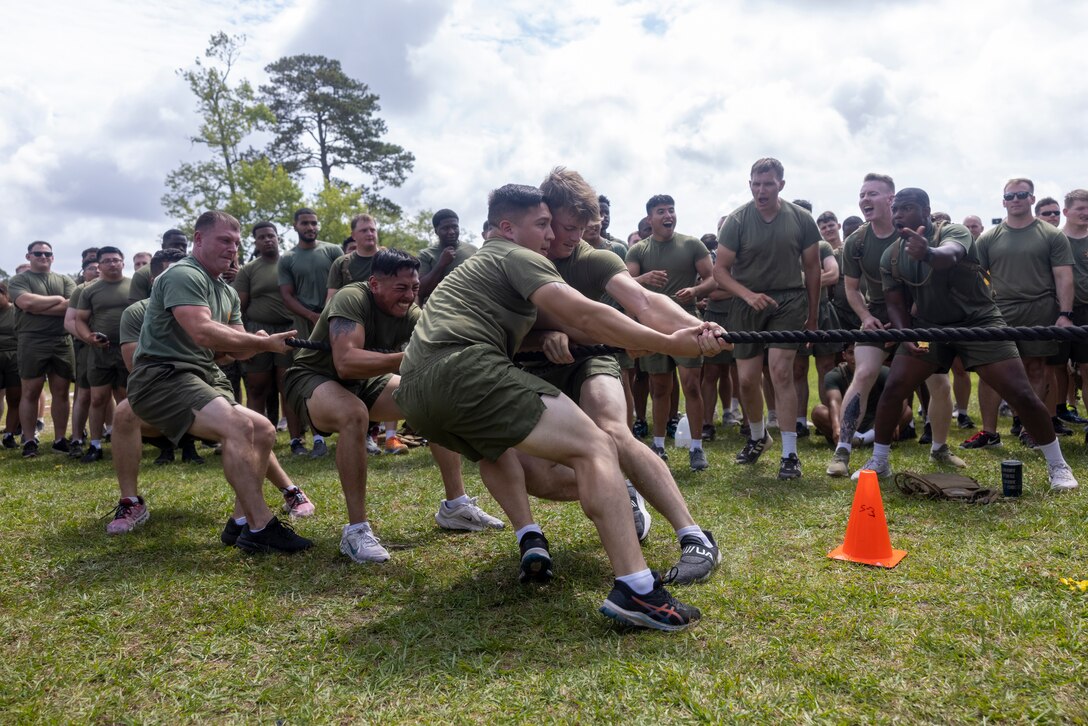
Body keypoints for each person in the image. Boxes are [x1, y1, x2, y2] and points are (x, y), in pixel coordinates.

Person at [394, 184, 724, 631]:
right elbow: (586, 315)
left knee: (568, 450)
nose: (551, 235)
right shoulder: (517, 255)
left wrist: (693, 326)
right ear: (508, 228)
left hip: (415, 393)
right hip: (467, 371)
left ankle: (625, 528)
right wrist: (668, 343)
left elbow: (592, 317)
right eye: (544, 224)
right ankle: (638, 590)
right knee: (597, 446)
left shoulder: (479, 267)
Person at [510, 167, 722, 583]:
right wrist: (542, 336)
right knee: (536, 472)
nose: (577, 238)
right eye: (569, 227)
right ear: (543, 215)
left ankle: (696, 536)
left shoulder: (594, 258)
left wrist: (694, 328)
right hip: (531, 370)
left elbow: (644, 300)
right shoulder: (514, 257)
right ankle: (618, 490)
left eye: (586, 228)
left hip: (590, 358)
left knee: (614, 431)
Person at [109, 210, 313, 552]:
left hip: (200, 375)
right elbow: (203, 331)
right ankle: (262, 528)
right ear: (198, 239)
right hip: (161, 376)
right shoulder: (183, 275)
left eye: (236, 242)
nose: (232, 248)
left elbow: (231, 348)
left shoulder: (227, 292)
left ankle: (240, 523)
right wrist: (260, 343)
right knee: (237, 426)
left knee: (262, 429)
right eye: (224, 240)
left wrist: (255, 341)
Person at [285, 248, 504, 563]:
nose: (409, 296)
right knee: (353, 414)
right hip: (313, 377)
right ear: (374, 284)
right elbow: (345, 362)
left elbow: (441, 342)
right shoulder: (351, 298)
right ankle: (356, 531)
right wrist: (410, 357)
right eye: (401, 288)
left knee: (433, 397)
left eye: (414, 288)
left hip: (367, 380)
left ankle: (456, 507)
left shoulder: (411, 311)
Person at [855, 188, 1077, 492]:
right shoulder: (891, 255)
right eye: (895, 210)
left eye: (906, 208)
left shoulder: (954, 231)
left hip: (979, 321)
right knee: (894, 388)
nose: (898, 215)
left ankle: (1058, 465)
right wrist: (906, 334)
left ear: (926, 210)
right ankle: (878, 461)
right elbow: (894, 300)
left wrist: (927, 253)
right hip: (929, 326)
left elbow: (951, 255)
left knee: (1020, 393)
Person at [826, 174, 958, 477]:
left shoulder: (921, 233)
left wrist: (909, 318)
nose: (864, 199)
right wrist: (866, 318)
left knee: (939, 382)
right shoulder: (857, 241)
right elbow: (851, 289)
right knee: (864, 372)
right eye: (861, 194)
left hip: (920, 318)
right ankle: (842, 452)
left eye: (872, 193)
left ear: (891, 199)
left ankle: (939, 448)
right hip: (875, 316)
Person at [714, 158, 821, 479]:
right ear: (750, 185)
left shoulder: (802, 219)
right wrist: (746, 295)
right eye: (756, 184)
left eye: (769, 184)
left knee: (780, 372)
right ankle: (759, 437)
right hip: (747, 303)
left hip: (788, 300)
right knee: (746, 379)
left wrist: (813, 316)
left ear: (781, 185)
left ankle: (790, 454)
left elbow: (813, 269)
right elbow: (720, 270)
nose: (762, 190)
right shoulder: (736, 220)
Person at [966, 179, 1074, 450]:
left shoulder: (1051, 234)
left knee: (1036, 368)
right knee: (990, 371)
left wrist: (1065, 313)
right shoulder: (990, 237)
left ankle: (1030, 429)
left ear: (1031, 198)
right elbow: (975, 278)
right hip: (998, 312)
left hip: (1040, 308)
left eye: (1021, 194)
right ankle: (989, 432)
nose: (1015, 199)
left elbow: (1063, 276)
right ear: (1003, 201)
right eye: (1010, 196)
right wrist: (978, 311)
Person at [626, 194, 718, 469]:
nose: (668, 215)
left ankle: (697, 448)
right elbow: (624, 284)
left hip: (687, 320)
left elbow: (713, 279)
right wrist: (643, 279)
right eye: (661, 211)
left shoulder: (691, 244)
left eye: (671, 210)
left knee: (691, 385)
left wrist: (696, 290)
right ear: (650, 218)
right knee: (660, 386)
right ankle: (657, 446)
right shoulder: (638, 250)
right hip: (653, 325)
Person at [235, 222, 313, 457]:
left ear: (278, 238)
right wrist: (245, 337)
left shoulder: (290, 262)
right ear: (256, 242)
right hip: (258, 331)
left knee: (287, 385)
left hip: (289, 331)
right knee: (256, 387)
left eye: (271, 236)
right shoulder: (248, 270)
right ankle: (256, 439)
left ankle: (296, 440)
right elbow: (239, 306)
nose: (267, 240)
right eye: (262, 237)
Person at [9, 241, 76, 458]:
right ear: (29, 256)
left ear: (53, 257)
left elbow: (71, 307)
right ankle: (29, 440)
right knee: (30, 391)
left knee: (61, 392)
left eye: (48, 253)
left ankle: (59, 439)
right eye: (38, 253)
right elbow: (27, 303)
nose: (43, 256)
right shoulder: (19, 280)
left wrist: (41, 307)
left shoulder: (65, 279)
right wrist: (57, 300)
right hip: (31, 340)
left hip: (61, 340)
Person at [69, 247, 131, 462]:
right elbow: (80, 320)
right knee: (97, 399)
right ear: (100, 265)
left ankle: (126, 442)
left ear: (123, 262)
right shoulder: (89, 290)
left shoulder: (134, 286)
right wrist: (88, 338)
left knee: (125, 398)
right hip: (100, 351)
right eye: (107, 261)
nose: (112, 264)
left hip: (127, 349)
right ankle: (95, 444)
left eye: (116, 260)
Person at [811, 343, 911, 446]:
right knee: (818, 412)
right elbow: (834, 402)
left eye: (859, 353)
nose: (855, 357)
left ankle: (864, 439)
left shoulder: (882, 371)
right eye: (851, 353)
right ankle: (855, 438)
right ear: (844, 355)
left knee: (907, 412)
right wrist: (837, 426)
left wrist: (894, 420)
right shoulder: (834, 375)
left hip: (875, 422)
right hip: (846, 422)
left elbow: (901, 397)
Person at [278, 208, 342, 338]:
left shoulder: (334, 250)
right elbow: (287, 296)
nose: (310, 227)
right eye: (304, 223)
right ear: (295, 226)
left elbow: (346, 284)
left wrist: (329, 314)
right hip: (304, 321)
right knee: (304, 357)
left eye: (314, 223)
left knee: (337, 356)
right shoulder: (287, 258)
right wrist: (312, 316)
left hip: (335, 317)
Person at [1061, 189, 1088, 439]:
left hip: (1087, 313)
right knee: (1054, 369)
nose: (1086, 212)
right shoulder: (1054, 239)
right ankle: (1050, 420)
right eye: (1080, 207)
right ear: (1066, 211)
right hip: (1057, 311)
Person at [417, 209, 477, 304]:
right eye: (445, 228)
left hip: (472, 306)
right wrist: (441, 264)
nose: (451, 232)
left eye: (455, 227)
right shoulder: (426, 255)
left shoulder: (473, 250)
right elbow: (421, 290)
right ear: (436, 231)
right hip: (439, 309)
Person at [129, 230, 188, 303]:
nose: (181, 248)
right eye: (175, 245)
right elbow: (137, 307)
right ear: (163, 246)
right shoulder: (142, 274)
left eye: (184, 246)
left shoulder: (195, 270)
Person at [0, 282, 21, 449]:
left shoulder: (16, 311)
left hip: (15, 356)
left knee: (14, 397)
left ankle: (9, 434)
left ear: (5, 294)